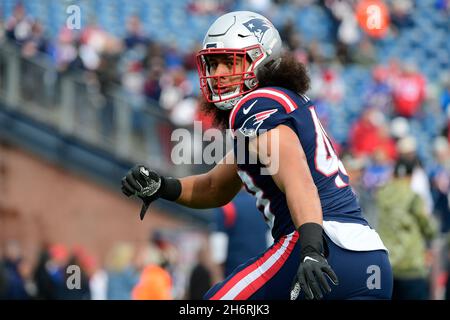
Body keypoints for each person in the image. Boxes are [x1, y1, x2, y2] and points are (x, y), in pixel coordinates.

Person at [121, 11, 392, 300]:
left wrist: (312, 250)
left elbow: (298, 179)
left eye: (230, 62)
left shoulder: (255, 104)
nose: (218, 74)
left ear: (261, 60)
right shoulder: (280, 106)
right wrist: (163, 187)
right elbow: (215, 187)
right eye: (213, 64)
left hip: (320, 247)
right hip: (370, 261)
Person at [376, 157, 436, 299]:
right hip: (410, 267)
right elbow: (430, 230)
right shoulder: (414, 197)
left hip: (385, 267)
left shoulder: (380, 195)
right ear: (411, 175)